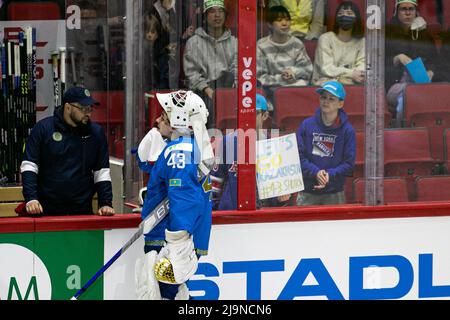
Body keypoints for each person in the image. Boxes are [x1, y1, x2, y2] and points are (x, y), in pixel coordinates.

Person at [134, 90, 214, 300]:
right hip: (177, 235)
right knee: (173, 293)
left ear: (179, 118)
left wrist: (178, 243)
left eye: (164, 115)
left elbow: (184, 197)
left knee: (163, 293)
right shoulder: (190, 148)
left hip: (169, 238)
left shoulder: (179, 152)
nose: (158, 119)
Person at [20, 87, 115, 216]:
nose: (88, 113)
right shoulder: (43, 129)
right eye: (83, 108)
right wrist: (31, 198)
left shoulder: (96, 134)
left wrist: (106, 203)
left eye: (90, 108)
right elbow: (29, 165)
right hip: (46, 210)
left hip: (82, 211)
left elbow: (102, 172)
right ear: (68, 107)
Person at [210, 93, 293, 210]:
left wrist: (280, 199)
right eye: (243, 112)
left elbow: (279, 191)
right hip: (231, 215)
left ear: (265, 115)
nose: (246, 117)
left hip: (262, 218)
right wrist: (214, 212)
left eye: (253, 113)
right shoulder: (227, 142)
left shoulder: (274, 145)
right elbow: (215, 182)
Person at [296, 81, 356, 206]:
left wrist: (329, 174)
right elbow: (298, 157)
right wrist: (316, 172)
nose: (326, 101)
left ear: (340, 103)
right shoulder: (306, 125)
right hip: (307, 191)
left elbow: (348, 163)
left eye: (331, 98)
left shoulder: (347, 130)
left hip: (335, 193)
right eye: (323, 97)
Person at [183, 0, 237, 127]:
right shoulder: (193, 42)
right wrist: (207, 89)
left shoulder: (234, 42)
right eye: (212, 11)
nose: (217, 15)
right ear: (205, 17)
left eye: (220, 11)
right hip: (203, 92)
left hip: (229, 89)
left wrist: (230, 91)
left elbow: (238, 69)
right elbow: (192, 74)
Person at [385, 0, 439, 122]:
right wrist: (396, 58)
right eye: (403, 9)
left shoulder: (424, 34)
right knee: (408, 96)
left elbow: (434, 60)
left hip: (421, 83)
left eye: (411, 9)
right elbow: (378, 63)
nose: (408, 13)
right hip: (395, 83)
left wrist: (431, 71)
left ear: (416, 12)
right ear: (396, 12)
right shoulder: (387, 33)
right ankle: (403, 129)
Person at [257, 5, 313, 88]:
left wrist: (293, 72)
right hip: (272, 90)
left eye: (287, 20)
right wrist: (281, 78)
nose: (284, 23)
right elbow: (259, 77)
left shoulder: (297, 43)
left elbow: (307, 70)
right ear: (269, 24)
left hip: (296, 88)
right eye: (279, 20)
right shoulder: (261, 45)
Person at [311, 1, 365, 86]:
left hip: (353, 81)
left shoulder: (362, 41)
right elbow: (326, 68)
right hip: (325, 82)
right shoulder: (325, 38)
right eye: (340, 13)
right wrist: (350, 74)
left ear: (356, 18)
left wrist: (350, 76)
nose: (344, 16)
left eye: (349, 13)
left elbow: (362, 67)